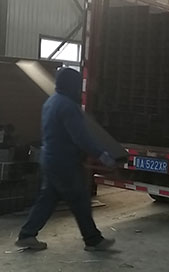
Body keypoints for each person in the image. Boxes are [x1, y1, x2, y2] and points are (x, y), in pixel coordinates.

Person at [15, 67, 117, 252]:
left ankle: (27, 235)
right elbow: (81, 138)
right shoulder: (68, 106)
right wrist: (102, 155)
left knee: (47, 199)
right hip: (65, 163)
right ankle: (93, 240)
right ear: (72, 85)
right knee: (80, 200)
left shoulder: (51, 102)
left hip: (49, 159)